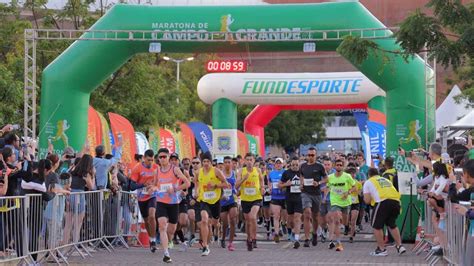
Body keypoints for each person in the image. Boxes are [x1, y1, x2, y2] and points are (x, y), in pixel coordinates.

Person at [152, 148, 190, 263]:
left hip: (174, 203)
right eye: (160, 157)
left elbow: (187, 183)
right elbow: (155, 186)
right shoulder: (157, 171)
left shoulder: (175, 170)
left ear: (168, 157)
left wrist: (175, 188)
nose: (162, 159)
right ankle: (166, 254)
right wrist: (152, 189)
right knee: (162, 226)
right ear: (158, 159)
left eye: (164, 156)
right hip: (161, 202)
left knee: (171, 229)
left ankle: (169, 241)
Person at [363, 168, 406, 256]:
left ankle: (381, 249)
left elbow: (367, 201)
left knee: (376, 226)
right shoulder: (385, 180)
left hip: (383, 201)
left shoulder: (368, 181)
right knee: (391, 224)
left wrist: (366, 197)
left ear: (369, 175)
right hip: (396, 201)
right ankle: (399, 245)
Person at [195, 151, 228, 256]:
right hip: (204, 200)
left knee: (214, 223)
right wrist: (196, 191)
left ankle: (217, 229)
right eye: (204, 161)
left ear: (211, 162)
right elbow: (196, 182)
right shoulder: (198, 172)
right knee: (204, 221)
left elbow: (226, 184)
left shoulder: (216, 171)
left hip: (215, 201)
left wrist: (215, 185)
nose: (205, 163)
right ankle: (205, 246)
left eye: (208, 161)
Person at [129, 149, 158, 252]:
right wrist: (143, 184)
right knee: (146, 220)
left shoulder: (156, 167)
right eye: (148, 160)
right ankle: (151, 239)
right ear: (144, 158)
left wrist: (155, 187)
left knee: (152, 215)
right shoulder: (137, 168)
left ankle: (154, 240)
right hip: (142, 197)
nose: (150, 162)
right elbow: (131, 186)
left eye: (152, 160)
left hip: (152, 195)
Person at [236, 153, 264, 251]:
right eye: (247, 159)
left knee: (253, 217)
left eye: (251, 160)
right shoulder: (241, 171)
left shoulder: (258, 170)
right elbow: (236, 186)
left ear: (254, 161)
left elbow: (261, 180)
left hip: (256, 198)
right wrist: (244, 178)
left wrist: (262, 188)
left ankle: (254, 238)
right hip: (245, 199)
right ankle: (249, 239)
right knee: (248, 222)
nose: (249, 162)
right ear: (244, 161)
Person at [300, 147, 327, 247]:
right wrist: (301, 183)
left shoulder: (320, 166)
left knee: (315, 216)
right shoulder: (302, 166)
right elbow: (301, 176)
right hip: (305, 193)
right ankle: (307, 239)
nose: (310, 157)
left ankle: (314, 234)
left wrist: (319, 182)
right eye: (309, 155)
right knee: (307, 214)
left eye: (312, 155)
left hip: (316, 194)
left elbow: (326, 179)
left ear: (316, 155)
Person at [326, 159, 356, 252]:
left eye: (340, 165)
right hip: (335, 202)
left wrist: (348, 192)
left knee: (344, 221)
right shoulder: (330, 177)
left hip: (346, 202)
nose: (338, 166)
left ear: (343, 167)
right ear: (334, 166)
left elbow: (354, 187)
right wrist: (324, 196)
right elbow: (327, 187)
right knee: (337, 221)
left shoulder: (347, 176)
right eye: (337, 165)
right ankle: (339, 243)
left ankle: (347, 226)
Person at [279, 157, 303, 249]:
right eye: (293, 165)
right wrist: (286, 184)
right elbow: (279, 185)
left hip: (299, 198)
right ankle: (289, 232)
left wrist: (302, 186)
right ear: (290, 165)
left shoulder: (302, 172)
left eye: (297, 165)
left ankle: (296, 239)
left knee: (297, 218)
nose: (295, 167)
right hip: (289, 198)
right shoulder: (286, 173)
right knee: (290, 220)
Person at [219, 156, 238, 251]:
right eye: (225, 162)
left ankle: (231, 243)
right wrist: (221, 195)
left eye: (229, 162)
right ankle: (223, 238)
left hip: (232, 200)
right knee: (225, 223)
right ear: (223, 163)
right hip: (223, 201)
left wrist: (237, 191)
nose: (227, 164)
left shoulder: (235, 173)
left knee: (233, 220)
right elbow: (217, 187)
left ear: (231, 163)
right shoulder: (220, 174)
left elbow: (237, 186)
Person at [269, 158, 286, 243]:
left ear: (283, 164)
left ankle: (283, 224)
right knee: (276, 215)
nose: (278, 164)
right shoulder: (271, 173)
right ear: (275, 164)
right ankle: (276, 233)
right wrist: (270, 188)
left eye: (280, 163)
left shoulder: (285, 173)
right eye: (277, 163)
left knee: (285, 216)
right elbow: (270, 183)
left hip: (285, 197)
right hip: (275, 197)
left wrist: (283, 186)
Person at [345, 167, 362, 243]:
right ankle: (347, 227)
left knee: (353, 220)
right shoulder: (345, 183)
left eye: (354, 173)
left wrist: (358, 191)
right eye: (351, 174)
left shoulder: (357, 183)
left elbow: (360, 194)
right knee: (347, 220)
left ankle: (351, 236)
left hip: (355, 203)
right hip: (346, 203)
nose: (353, 175)